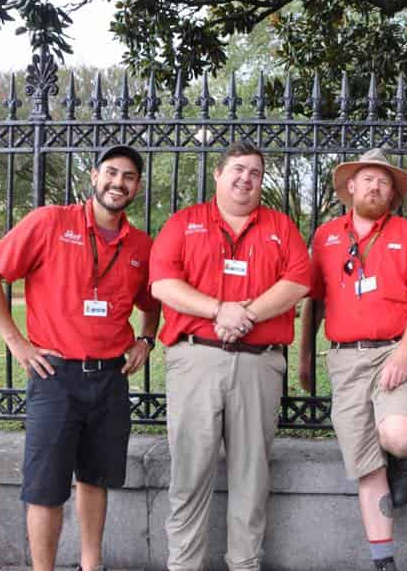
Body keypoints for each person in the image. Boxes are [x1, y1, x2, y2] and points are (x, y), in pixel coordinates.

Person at [0, 145, 160, 571]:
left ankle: (91, 565)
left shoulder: (140, 245)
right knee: (45, 488)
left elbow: (152, 302)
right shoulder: (51, 222)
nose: (119, 183)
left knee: (96, 479)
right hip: (54, 376)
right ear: (94, 176)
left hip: (110, 379)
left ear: (137, 186)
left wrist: (146, 340)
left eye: (129, 177)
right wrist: (16, 342)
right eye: (111, 173)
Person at [149, 141, 311, 571]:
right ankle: (183, 565)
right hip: (196, 360)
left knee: (251, 476)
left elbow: (298, 281)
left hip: (259, 363)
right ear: (218, 175)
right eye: (238, 169)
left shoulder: (280, 226)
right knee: (189, 474)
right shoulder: (184, 223)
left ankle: (244, 564)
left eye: (255, 172)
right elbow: (162, 283)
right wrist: (219, 310)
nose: (246, 178)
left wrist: (246, 314)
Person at [298, 147, 407, 571]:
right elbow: (314, 302)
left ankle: (399, 457)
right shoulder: (325, 237)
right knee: (365, 467)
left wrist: (404, 353)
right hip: (345, 359)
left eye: (384, 182)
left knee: (399, 437)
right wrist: (305, 360)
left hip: (396, 350)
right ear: (350, 187)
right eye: (367, 179)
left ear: (392, 194)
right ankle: (384, 561)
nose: (375, 186)